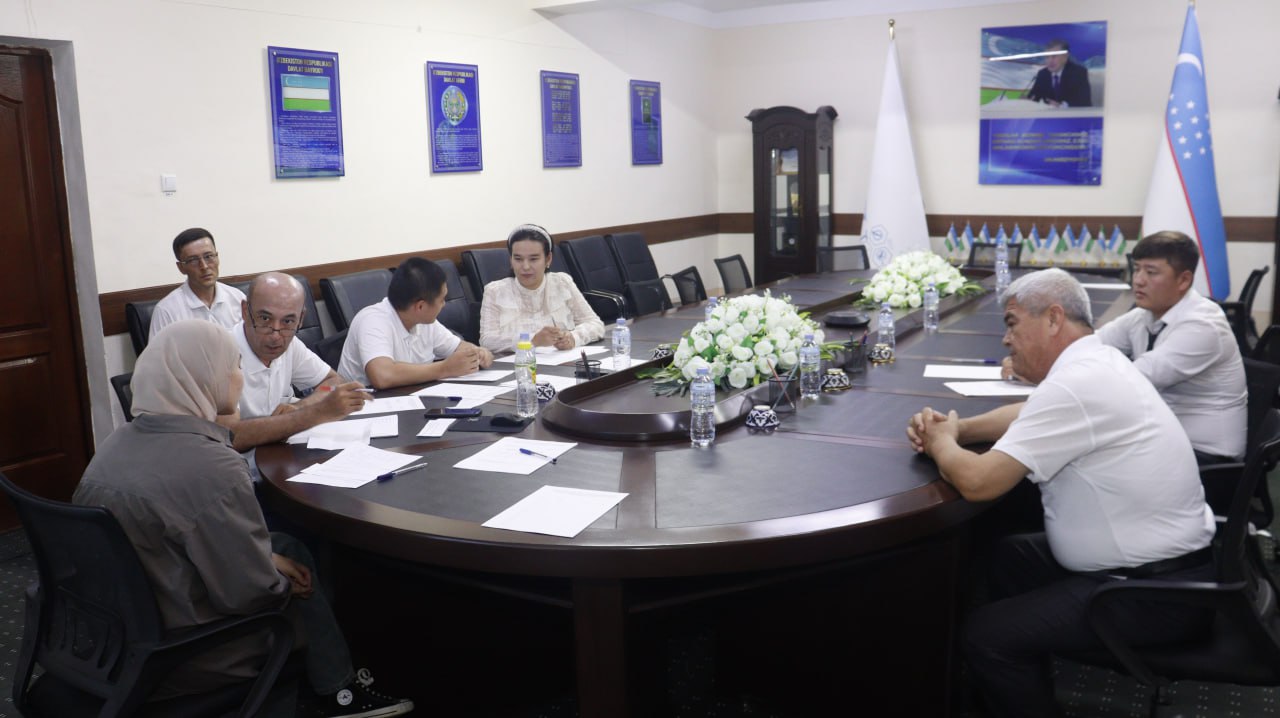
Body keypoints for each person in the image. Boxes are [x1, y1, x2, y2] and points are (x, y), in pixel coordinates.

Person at [907, 269, 1215, 718]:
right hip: (1173, 566)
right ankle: (1007, 681)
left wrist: (941, 443)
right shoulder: (1098, 362)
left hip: (1153, 593)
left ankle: (1006, 670)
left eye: (1012, 323)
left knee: (988, 636)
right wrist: (959, 429)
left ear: (1053, 318)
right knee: (1006, 557)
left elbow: (978, 483)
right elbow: (1029, 411)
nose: (1006, 340)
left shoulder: (1078, 383)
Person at [73, 320, 413, 717]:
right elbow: (251, 593)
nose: (239, 377)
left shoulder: (115, 442)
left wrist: (265, 556)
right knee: (299, 571)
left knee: (282, 547)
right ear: (205, 377)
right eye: (234, 366)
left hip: (114, 635)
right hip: (188, 653)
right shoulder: (213, 466)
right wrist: (276, 575)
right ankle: (340, 693)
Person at [1002, 231, 1246, 462]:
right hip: (1161, 436)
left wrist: (1042, 371)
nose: (1138, 280)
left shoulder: (1203, 326)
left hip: (1205, 454)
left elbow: (1126, 383)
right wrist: (1029, 358)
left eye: (1151, 272)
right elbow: (1084, 345)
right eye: (1137, 269)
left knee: (1064, 451)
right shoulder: (1144, 315)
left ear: (1183, 280)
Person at [220, 272, 371, 452]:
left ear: (301, 319)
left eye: (288, 321)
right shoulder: (221, 353)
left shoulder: (291, 345)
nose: (276, 335)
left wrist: (299, 407)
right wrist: (314, 413)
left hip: (280, 454)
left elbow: (331, 382)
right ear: (245, 311)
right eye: (265, 319)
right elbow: (229, 436)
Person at [339, 257, 493, 389]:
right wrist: (444, 369)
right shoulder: (372, 321)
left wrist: (477, 353)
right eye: (442, 300)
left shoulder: (426, 322)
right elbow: (382, 376)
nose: (444, 305)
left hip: (409, 400)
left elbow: (458, 347)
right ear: (420, 306)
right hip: (366, 407)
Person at [478, 224, 605, 354]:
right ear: (511, 260)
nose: (525, 266)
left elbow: (595, 324)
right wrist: (532, 340)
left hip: (563, 362)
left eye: (533, 259)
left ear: (548, 259)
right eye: (518, 259)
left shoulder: (562, 282)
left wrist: (573, 337)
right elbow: (487, 340)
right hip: (520, 363)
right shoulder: (495, 291)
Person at [149, 227, 246, 337]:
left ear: (217, 257)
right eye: (193, 260)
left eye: (208, 256)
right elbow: (159, 349)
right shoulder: (166, 311)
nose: (204, 266)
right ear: (181, 267)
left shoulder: (237, 298)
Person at [1025, 39, 1091, 108]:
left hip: (1071, 114)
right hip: (1047, 113)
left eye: (1054, 57)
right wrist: (1026, 100)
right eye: (1047, 57)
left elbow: (1084, 102)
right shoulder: (1043, 74)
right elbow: (1034, 97)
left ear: (1065, 57)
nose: (1050, 61)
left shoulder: (1078, 73)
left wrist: (1062, 106)